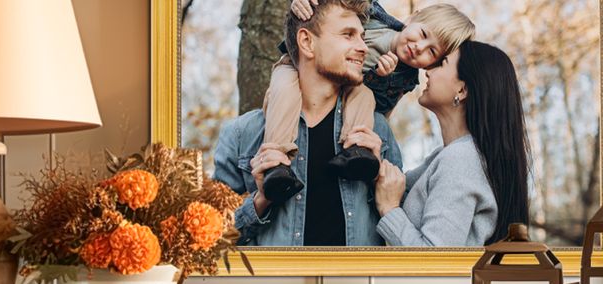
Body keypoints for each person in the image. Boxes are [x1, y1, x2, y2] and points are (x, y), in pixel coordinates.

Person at [214, 0, 402, 246]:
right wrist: (260, 200)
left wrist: (381, 183)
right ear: (307, 42)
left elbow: (400, 244)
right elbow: (210, 243)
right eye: (348, 35)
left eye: (362, 37)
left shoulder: (377, 132)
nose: (363, 47)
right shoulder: (242, 135)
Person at [261, 0, 475, 203]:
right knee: (283, 88)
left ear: (432, 65)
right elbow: (329, 13)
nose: (419, 47)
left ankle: (356, 150)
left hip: (343, 91)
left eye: (431, 51)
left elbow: (381, 113)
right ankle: (276, 162)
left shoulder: (404, 78)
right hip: (296, 64)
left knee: (364, 95)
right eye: (422, 34)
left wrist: (379, 79)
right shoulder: (373, 15)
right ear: (412, 19)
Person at [374, 40, 530, 246]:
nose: (428, 72)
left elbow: (437, 263)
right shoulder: (450, 155)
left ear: (462, 90)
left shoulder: (460, 160)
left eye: (442, 64)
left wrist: (390, 210)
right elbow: (395, 187)